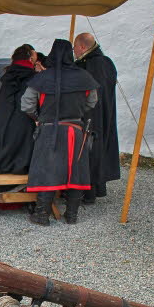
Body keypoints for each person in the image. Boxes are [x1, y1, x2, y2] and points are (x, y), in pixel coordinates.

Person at [20, 39, 99, 225]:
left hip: (48, 130)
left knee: (48, 170)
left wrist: (37, 117)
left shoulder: (42, 78)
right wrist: (76, 112)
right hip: (75, 130)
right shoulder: (84, 77)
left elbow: (26, 105)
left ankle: (41, 215)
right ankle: (72, 215)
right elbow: (92, 103)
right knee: (76, 172)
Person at [0, 44, 40, 217]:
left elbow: (2, 104)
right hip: (24, 127)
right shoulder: (34, 78)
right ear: (30, 58)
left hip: (2, 124)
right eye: (35, 57)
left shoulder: (8, 76)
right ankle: (27, 199)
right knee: (26, 159)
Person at [74, 33, 119, 203]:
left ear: (83, 47)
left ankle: (88, 193)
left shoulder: (88, 65)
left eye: (75, 48)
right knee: (98, 151)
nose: (74, 52)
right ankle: (96, 189)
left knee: (88, 152)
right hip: (105, 114)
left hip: (90, 116)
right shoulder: (107, 63)